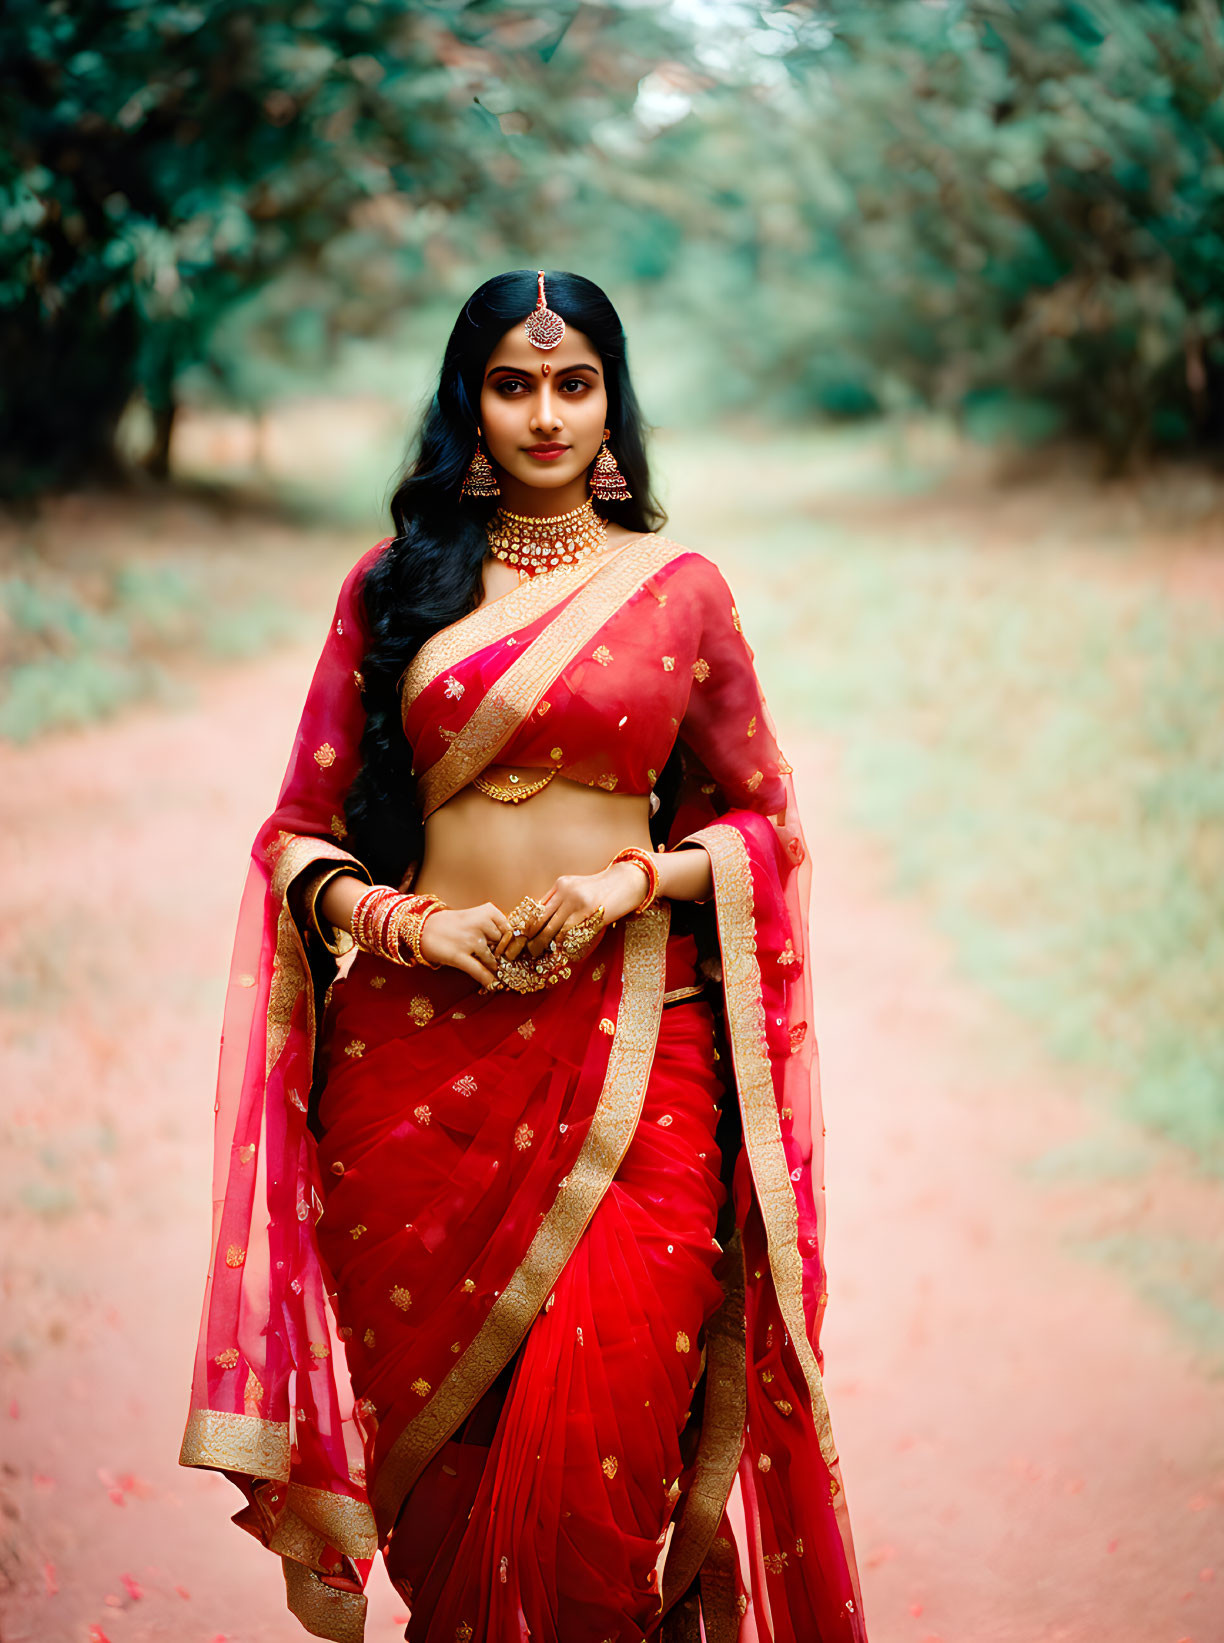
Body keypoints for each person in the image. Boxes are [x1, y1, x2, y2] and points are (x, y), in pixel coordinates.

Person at [178, 269, 869, 1643]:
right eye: (511, 382)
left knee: (603, 1460)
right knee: (456, 1473)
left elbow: (760, 825)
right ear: (469, 403)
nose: (543, 412)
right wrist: (404, 922)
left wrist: (635, 881)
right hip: (415, 1071)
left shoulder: (678, 594)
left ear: (612, 401)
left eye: (572, 381)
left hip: (634, 1053)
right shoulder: (391, 587)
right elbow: (296, 835)